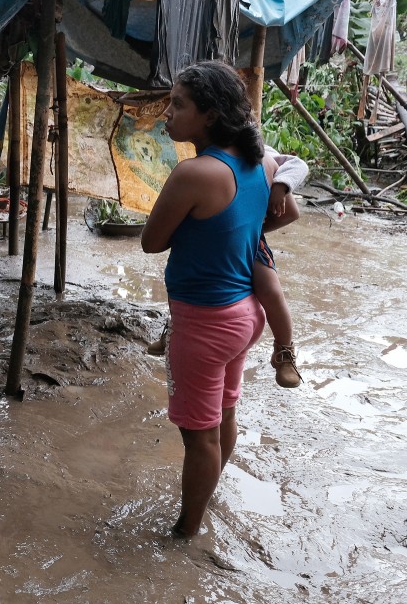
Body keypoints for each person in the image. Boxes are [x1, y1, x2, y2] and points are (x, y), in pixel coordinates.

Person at [140, 60, 295, 537]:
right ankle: (207, 493)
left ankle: (186, 530)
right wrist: (239, 231)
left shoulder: (195, 173)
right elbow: (288, 212)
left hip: (204, 323)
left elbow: (152, 241)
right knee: (225, 412)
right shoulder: (261, 163)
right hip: (246, 316)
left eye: (179, 104)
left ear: (208, 116)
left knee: (198, 435)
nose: (167, 113)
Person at [148, 146, 307, 389]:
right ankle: (173, 331)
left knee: (271, 291)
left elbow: (297, 165)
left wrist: (281, 186)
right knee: (186, 278)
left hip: (250, 240)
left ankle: (284, 351)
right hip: (214, 237)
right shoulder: (204, 161)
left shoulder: (260, 152)